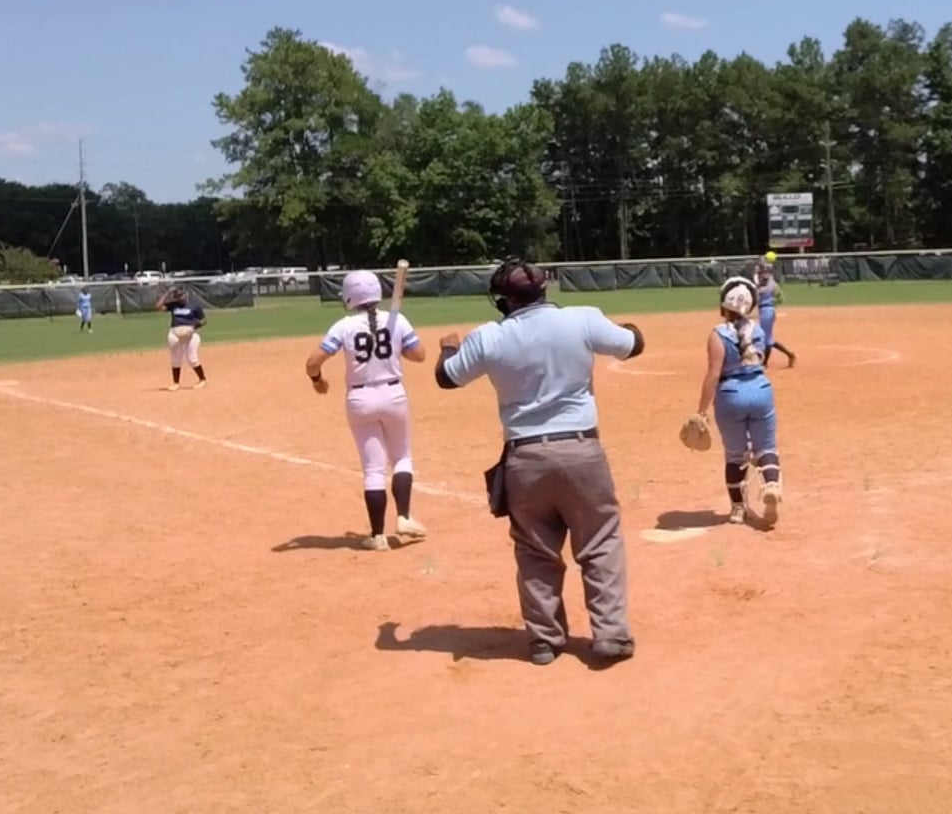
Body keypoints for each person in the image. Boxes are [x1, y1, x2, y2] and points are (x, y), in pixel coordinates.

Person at [434, 259, 646, 667]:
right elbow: (633, 344)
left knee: (535, 550)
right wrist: (629, 328)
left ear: (503, 300)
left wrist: (448, 348)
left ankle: (545, 641)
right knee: (600, 542)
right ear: (545, 289)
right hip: (581, 449)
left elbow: (447, 377)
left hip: (525, 456)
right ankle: (611, 635)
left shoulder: (489, 336)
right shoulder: (582, 319)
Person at [306, 270, 430, 550]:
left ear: (349, 297)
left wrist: (317, 380)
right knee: (402, 457)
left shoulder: (344, 326)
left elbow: (313, 362)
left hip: (360, 399)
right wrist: (397, 345)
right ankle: (404, 516)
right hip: (394, 394)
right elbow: (419, 355)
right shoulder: (397, 320)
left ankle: (378, 536)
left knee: (373, 469)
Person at [694, 278, 783, 526]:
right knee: (766, 448)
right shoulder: (758, 330)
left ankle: (737, 509)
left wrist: (701, 411)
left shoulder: (718, 334)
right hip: (761, 390)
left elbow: (713, 374)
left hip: (731, 395)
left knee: (735, 455)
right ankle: (771, 485)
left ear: (724, 304)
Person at [157, 285, 208, 390]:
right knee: (175, 359)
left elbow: (203, 320)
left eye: (181, 296)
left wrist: (193, 327)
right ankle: (176, 383)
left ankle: (202, 379)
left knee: (192, 359)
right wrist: (167, 293)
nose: (180, 298)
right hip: (175, 333)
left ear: (186, 294)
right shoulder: (174, 305)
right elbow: (158, 307)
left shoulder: (194, 305)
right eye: (177, 296)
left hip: (190, 334)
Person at [754, 251, 796, 368]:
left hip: (767, 311)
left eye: (762, 272)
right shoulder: (766, 282)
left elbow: (778, 296)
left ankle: (764, 363)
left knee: (766, 338)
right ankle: (789, 355)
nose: (760, 274)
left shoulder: (767, 284)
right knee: (766, 337)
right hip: (765, 310)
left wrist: (772, 303)